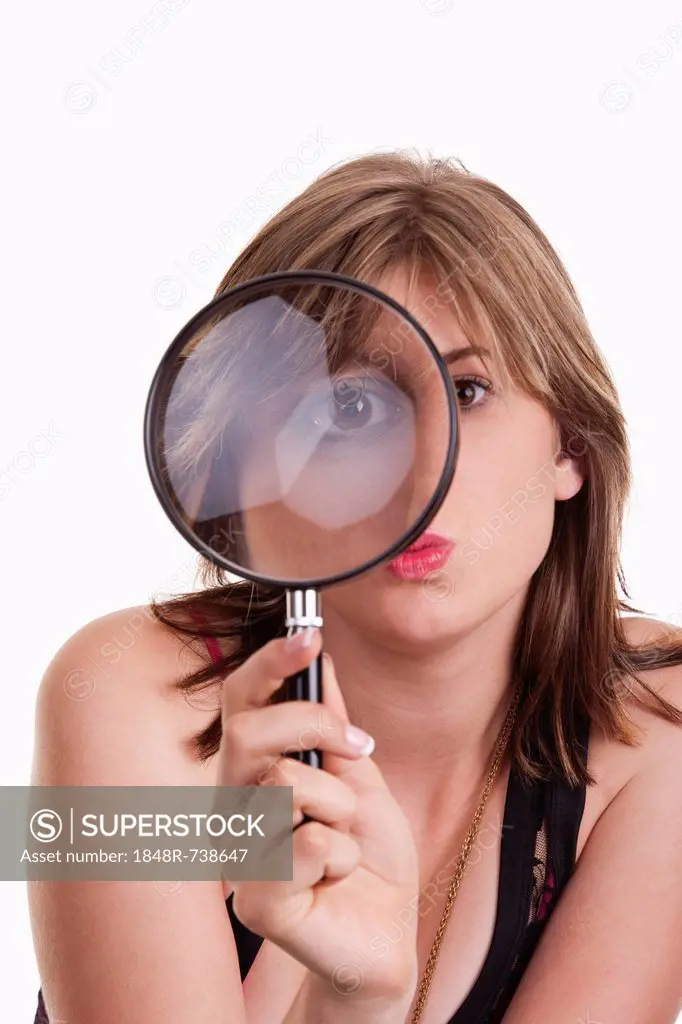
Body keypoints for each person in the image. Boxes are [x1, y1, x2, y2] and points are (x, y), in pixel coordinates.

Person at [30, 150, 682, 1024]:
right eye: (350, 408)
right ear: (247, 475)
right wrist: (351, 1005)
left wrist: (360, 993)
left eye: (469, 389)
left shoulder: (664, 733)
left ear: (571, 447)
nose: (420, 479)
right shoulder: (115, 691)